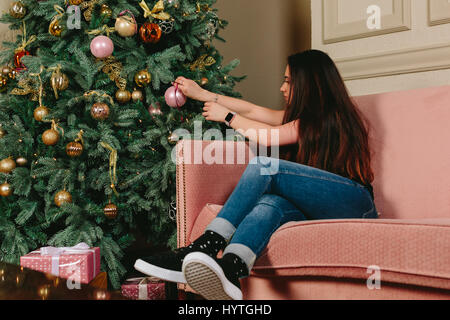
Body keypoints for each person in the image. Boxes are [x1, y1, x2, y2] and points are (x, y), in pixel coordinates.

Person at [134, 49, 378, 300]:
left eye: (288, 81)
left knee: (265, 165)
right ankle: (231, 268)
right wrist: (205, 95)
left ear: (309, 85)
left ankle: (206, 244)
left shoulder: (330, 117)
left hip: (354, 202)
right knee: (269, 203)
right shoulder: (299, 119)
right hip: (318, 207)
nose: (282, 89)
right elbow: (252, 110)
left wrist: (228, 117)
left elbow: (269, 136)